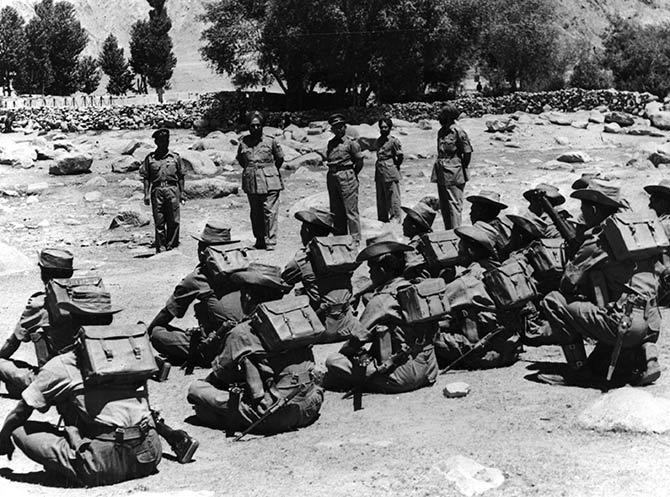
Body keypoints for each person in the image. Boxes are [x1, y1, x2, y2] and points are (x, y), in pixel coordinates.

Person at [0, 291, 163, 486]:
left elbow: (20, 412)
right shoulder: (133, 351)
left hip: (104, 464)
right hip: (150, 454)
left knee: (18, 430)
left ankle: (70, 470)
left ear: (73, 322)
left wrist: (3, 438)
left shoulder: (66, 362)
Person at [536, 182, 662, 387]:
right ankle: (648, 354)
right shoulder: (636, 232)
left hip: (626, 325)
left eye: (583, 208)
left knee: (554, 301)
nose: (582, 212)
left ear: (594, 209)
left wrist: (573, 259)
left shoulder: (598, 239)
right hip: (652, 322)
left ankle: (578, 371)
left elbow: (567, 283)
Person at [187, 264, 323, 435]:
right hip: (313, 402)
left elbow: (219, 375)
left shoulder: (243, 331)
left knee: (197, 392)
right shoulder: (296, 316)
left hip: (278, 414)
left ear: (248, 296)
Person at [324, 234, 438, 393]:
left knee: (334, 361)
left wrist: (346, 355)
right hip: (430, 368)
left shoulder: (382, 300)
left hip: (403, 375)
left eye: (372, 268)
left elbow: (357, 338)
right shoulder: (415, 287)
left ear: (384, 269)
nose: (370, 274)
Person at [148, 222, 244, 367]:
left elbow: (168, 312)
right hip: (247, 340)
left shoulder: (197, 278)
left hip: (217, 346)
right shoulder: (244, 269)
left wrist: (147, 332)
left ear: (202, 251)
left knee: (157, 333)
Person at [434, 225, 520, 370]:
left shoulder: (465, 282)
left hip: (486, 353)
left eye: (460, 248)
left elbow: (437, 307)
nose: (457, 252)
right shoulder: (499, 271)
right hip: (511, 347)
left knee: (426, 333)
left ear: (470, 251)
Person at [0, 248, 76, 398]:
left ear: (44, 273)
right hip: (89, 371)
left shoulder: (40, 303)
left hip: (54, 379)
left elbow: (14, 341)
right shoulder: (88, 299)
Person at [281, 208, 365, 343]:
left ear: (306, 231)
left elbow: (281, 286)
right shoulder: (342, 252)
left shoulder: (303, 259)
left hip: (322, 330)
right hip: (348, 325)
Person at [237, 111, 285, 251]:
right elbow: (241, 160)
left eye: (258, 126)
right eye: (252, 126)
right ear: (249, 127)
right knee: (256, 212)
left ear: (262, 126)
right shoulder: (244, 142)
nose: (255, 128)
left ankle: (270, 240)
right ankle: (259, 240)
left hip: (270, 180)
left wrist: (270, 170)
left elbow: (280, 159)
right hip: (251, 181)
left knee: (269, 210)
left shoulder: (271, 141)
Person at [140, 128, 185, 253]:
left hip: (172, 189)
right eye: (161, 140)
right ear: (156, 142)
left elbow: (181, 176)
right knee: (159, 219)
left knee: (173, 219)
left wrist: (182, 193)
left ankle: (172, 245)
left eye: (166, 140)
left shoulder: (175, 157)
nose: (164, 143)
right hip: (157, 190)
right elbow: (146, 178)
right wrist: (146, 194)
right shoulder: (150, 158)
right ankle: (161, 247)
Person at [432, 104, 472, 230]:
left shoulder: (458, 131)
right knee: (444, 205)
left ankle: (456, 233)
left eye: (442, 113)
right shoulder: (441, 131)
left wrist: (460, 167)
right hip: (441, 172)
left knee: (454, 204)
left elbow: (467, 152)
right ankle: (448, 231)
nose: (440, 115)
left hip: (454, 171)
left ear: (449, 115)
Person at [325, 113, 365, 239]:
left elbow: (359, 162)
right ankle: (340, 238)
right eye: (334, 127)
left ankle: (355, 239)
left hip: (347, 176)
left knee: (351, 211)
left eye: (340, 126)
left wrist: (352, 175)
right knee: (336, 211)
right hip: (332, 177)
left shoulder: (351, 144)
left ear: (344, 127)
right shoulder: (330, 143)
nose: (337, 129)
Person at [400, 198, 439, 280]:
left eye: (406, 221)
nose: (403, 224)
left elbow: (410, 271)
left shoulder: (412, 246)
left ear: (414, 226)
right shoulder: (432, 239)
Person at [467, 190, 513, 258]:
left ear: (483, 211)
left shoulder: (480, 229)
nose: (470, 213)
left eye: (473, 210)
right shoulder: (503, 224)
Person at [375, 118, 404, 223]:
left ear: (390, 128)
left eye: (385, 127)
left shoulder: (393, 141)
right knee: (381, 196)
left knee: (393, 196)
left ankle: (395, 218)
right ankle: (382, 219)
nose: (383, 129)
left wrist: (396, 166)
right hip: (379, 171)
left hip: (390, 169)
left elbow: (400, 156)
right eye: (381, 127)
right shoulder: (378, 141)